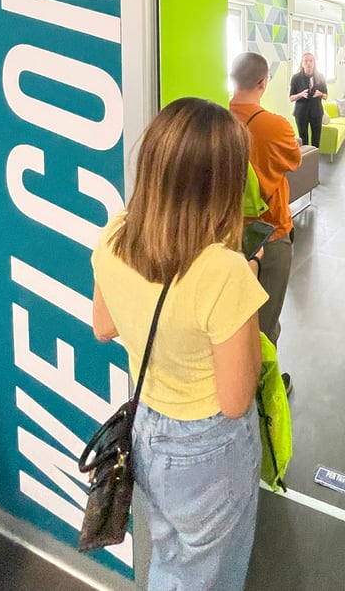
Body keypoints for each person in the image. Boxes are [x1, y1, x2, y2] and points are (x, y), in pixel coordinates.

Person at [91, 98, 265, 591]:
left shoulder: (116, 233)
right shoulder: (225, 273)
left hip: (146, 427)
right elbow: (236, 399)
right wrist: (247, 282)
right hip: (208, 446)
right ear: (223, 183)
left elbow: (103, 326)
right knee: (209, 571)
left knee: (171, 555)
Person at [230, 52, 302, 394]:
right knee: (266, 321)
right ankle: (261, 393)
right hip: (269, 233)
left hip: (225, 234)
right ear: (263, 83)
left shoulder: (216, 121)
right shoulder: (275, 125)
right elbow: (294, 159)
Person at [289, 52, 328, 148]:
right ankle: (306, 157)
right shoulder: (296, 78)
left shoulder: (320, 76)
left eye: (311, 61)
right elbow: (291, 98)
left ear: (314, 63)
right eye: (305, 61)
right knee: (303, 139)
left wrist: (320, 94)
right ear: (302, 63)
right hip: (301, 113)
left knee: (316, 139)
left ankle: (315, 157)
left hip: (316, 112)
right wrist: (300, 95)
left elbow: (326, 96)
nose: (308, 63)